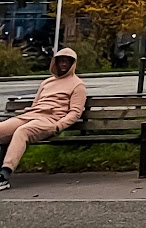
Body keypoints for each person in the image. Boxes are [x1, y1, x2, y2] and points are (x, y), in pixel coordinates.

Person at [0, 47, 87, 190]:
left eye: (67, 62)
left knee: (23, 132)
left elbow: (75, 112)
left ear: (73, 64)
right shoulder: (46, 83)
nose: (64, 64)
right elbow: (36, 104)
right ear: (56, 62)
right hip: (31, 114)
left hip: (50, 120)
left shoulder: (78, 85)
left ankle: (4, 174)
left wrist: (59, 126)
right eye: (61, 61)